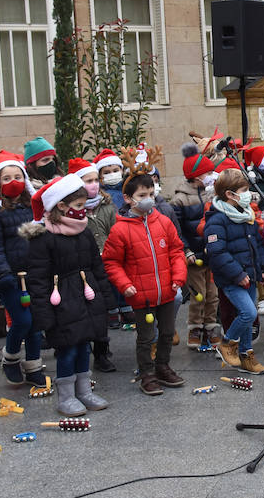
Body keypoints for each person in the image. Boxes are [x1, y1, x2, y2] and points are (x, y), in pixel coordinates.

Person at [22, 175, 111, 416]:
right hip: (60, 302)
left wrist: (105, 298)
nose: (83, 212)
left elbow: (96, 267)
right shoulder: (43, 238)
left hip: (85, 297)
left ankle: (84, 391)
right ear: (61, 206)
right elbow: (37, 281)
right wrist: (44, 317)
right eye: (79, 206)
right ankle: (66, 396)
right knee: (67, 349)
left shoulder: (83, 233)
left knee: (84, 347)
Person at [102, 170, 188, 395]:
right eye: (142, 195)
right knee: (146, 336)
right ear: (128, 199)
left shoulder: (164, 222)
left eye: (151, 193)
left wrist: (178, 276)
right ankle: (147, 373)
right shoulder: (120, 229)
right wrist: (124, 284)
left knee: (168, 332)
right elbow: (111, 262)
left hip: (167, 290)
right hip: (142, 295)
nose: (148, 198)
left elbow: (176, 251)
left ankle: (163, 366)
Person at [0, 150, 46, 387]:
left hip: (34, 274)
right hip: (9, 276)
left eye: (17, 176)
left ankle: (33, 365)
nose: (13, 182)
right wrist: (3, 273)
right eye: (6, 178)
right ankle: (10, 358)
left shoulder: (34, 206)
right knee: (22, 320)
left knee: (36, 322)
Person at [203, 167, 264, 375]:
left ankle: (246, 356)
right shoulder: (217, 220)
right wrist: (238, 275)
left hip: (249, 275)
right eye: (244, 190)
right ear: (229, 194)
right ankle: (226, 343)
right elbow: (217, 252)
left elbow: (256, 244)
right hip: (232, 279)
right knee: (248, 312)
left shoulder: (245, 215)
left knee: (250, 315)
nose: (248, 194)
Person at [174, 149, 221, 351]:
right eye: (208, 173)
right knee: (198, 294)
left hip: (212, 254)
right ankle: (195, 329)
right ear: (197, 176)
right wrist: (186, 251)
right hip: (194, 256)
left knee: (213, 294)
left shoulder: (213, 194)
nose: (212, 177)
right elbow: (176, 230)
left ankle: (211, 328)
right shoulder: (179, 200)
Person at [75, 157, 118, 372]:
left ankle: (102, 352)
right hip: (83, 268)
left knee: (101, 311)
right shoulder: (74, 209)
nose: (93, 184)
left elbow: (116, 232)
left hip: (104, 264)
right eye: (87, 180)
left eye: (95, 179)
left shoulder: (107, 206)